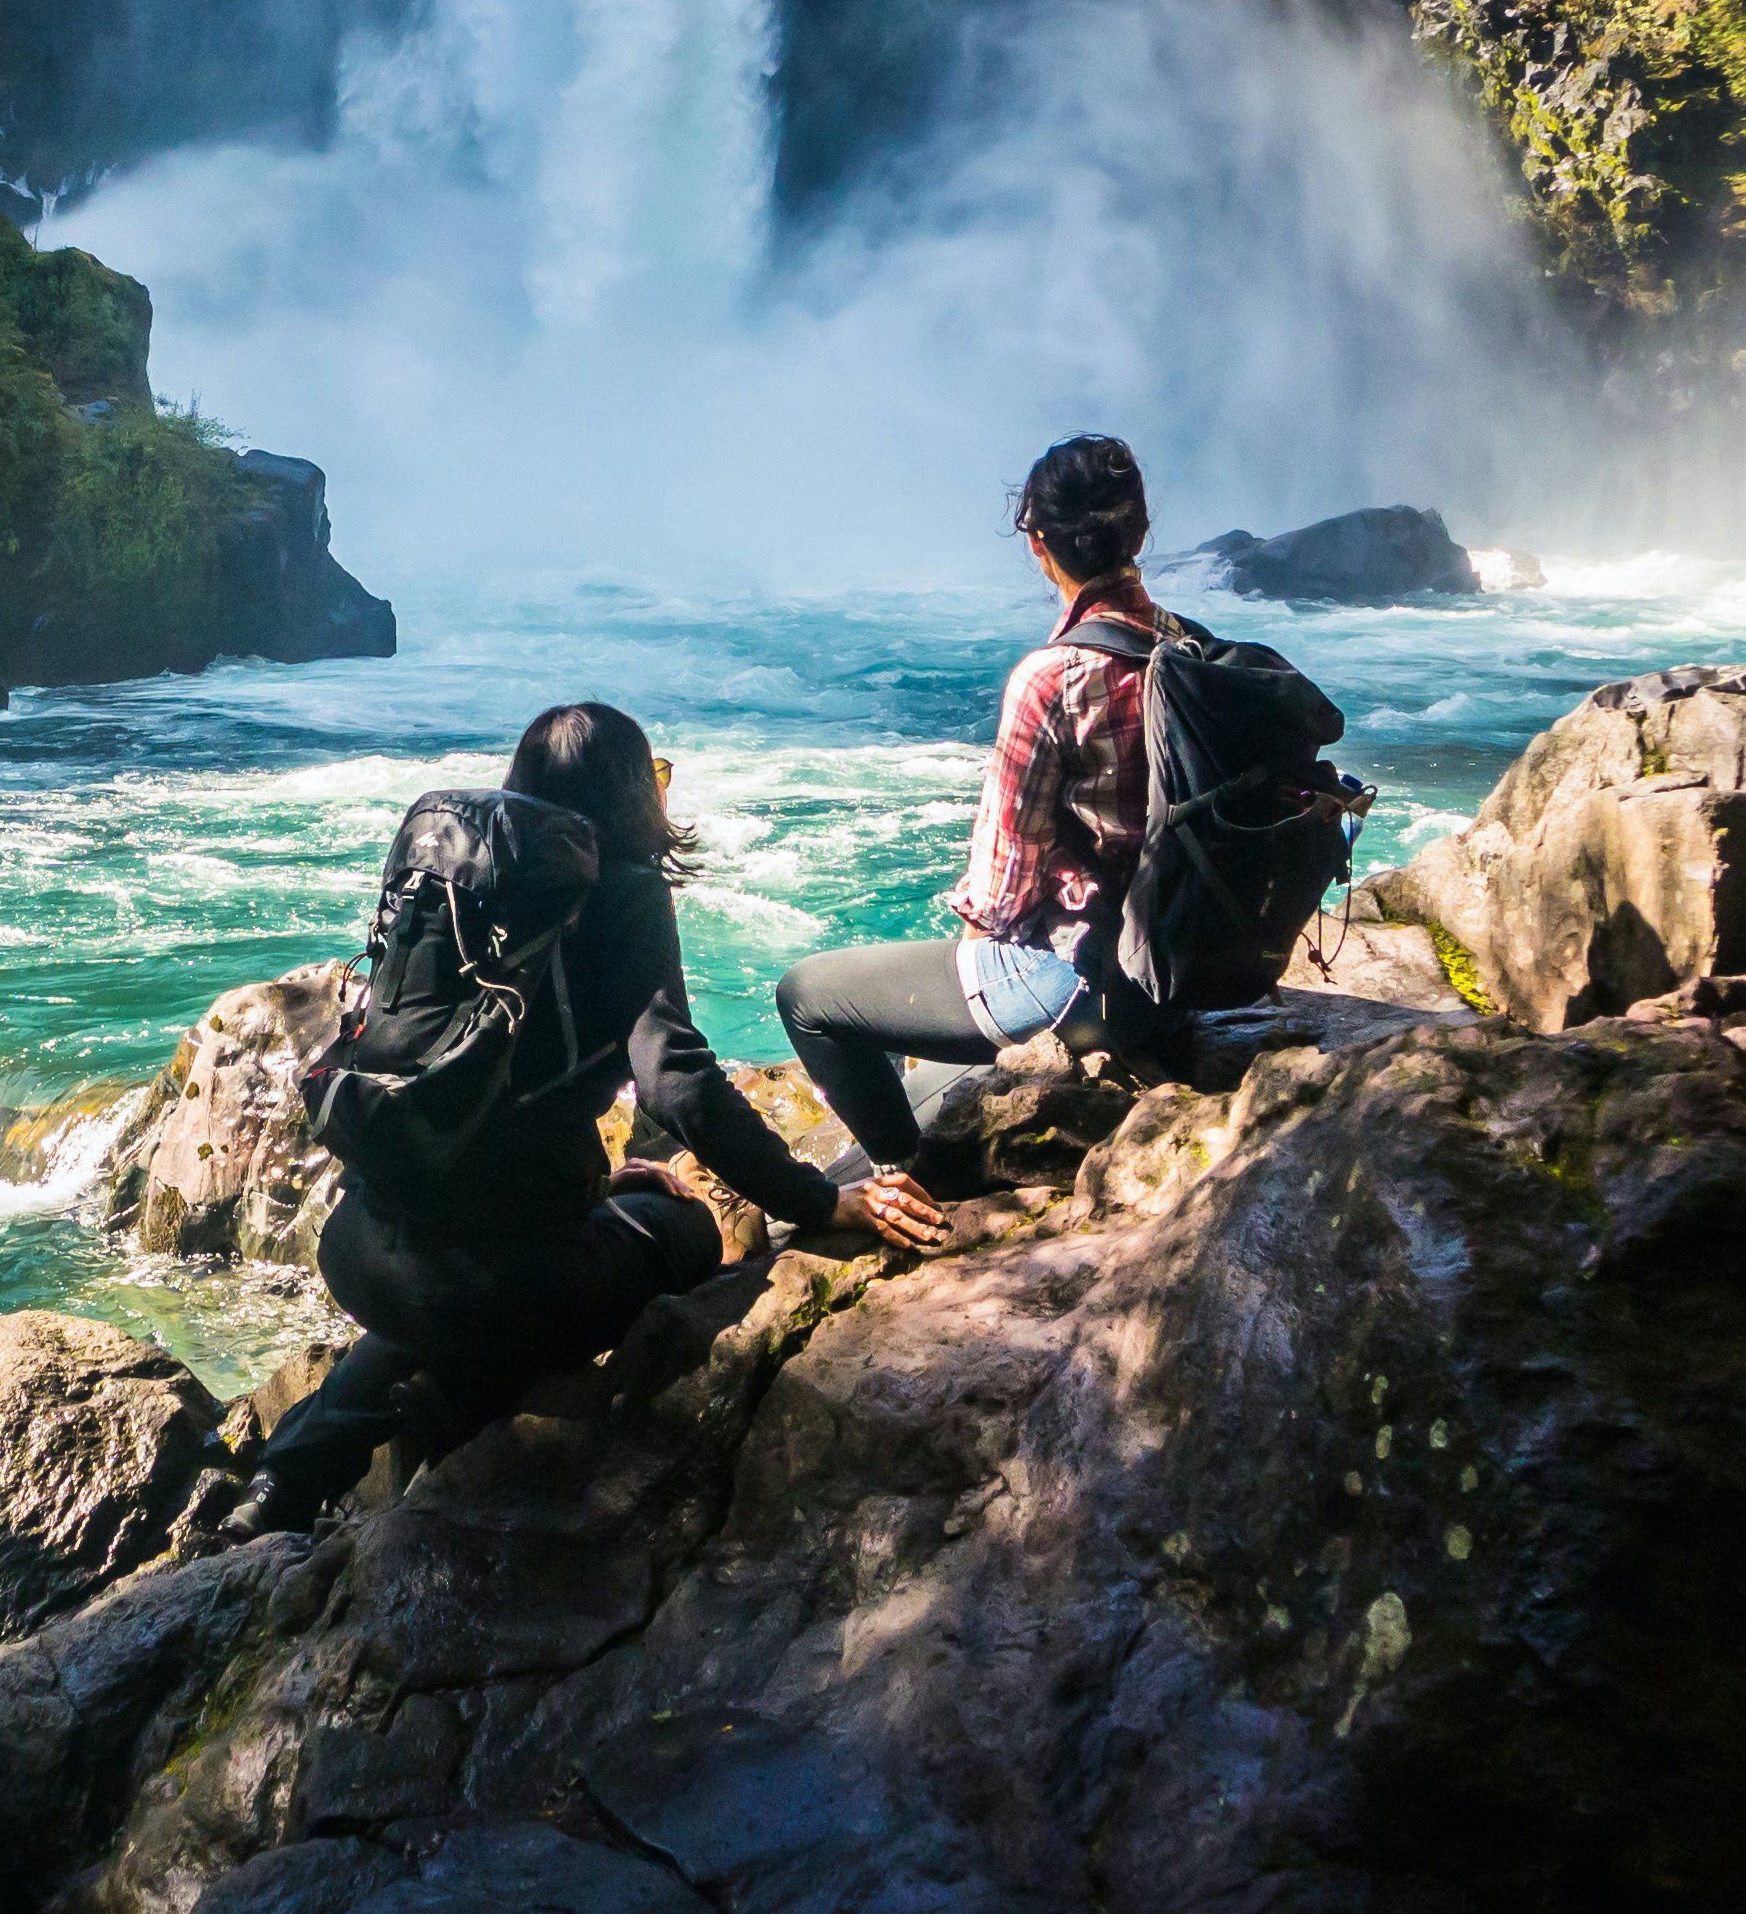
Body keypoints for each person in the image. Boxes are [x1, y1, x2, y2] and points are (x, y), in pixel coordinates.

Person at [228, 700, 947, 1537]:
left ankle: (279, 1482)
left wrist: (594, 1182)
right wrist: (820, 1204)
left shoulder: (467, 892)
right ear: (637, 798)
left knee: (452, 1290)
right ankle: (451, 1412)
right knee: (686, 1236)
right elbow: (676, 1084)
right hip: (498, 1283)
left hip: (359, 1251)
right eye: (659, 779)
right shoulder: (625, 892)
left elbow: (473, 1100)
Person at [775, 432, 1178, 1186]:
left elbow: (1000, 896)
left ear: (1037, 543)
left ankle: (907, 1177)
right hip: (1180, 972)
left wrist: (954, 980)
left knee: (809, 996)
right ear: (1141, 533)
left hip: (1087, 985)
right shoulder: (1188, 653)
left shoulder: (1052, 678)